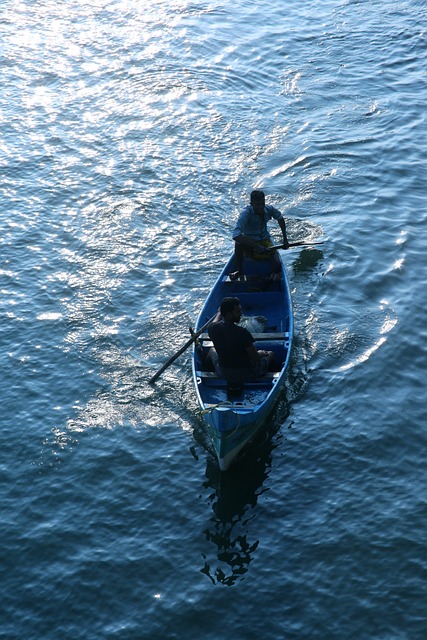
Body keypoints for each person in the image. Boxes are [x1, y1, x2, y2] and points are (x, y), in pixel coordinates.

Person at [207, 297, 275, 389]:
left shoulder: (212, 328)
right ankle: (266, 380)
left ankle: (207, 371)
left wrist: (219, 313)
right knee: (270, 354)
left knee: (211, 350)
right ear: (229, 314)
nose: (241, 314)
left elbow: (214, 322)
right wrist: (261, 353)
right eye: (238, 312)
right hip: (247, 374)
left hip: (223, 372)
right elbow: (255, 357)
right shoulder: (242, 332)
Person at [231, 189, 289, 279]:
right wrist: (256, 246)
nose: (260, 207)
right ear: (251, 204)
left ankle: (272, 277)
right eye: (257, 205)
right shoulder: (246, 214)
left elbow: (280, 218)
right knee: (238, 243)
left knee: (277, 264)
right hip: (251, 243)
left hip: (265, 240)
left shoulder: (269, 209)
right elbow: (236, 235)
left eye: (262, 204)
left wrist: (285, 239)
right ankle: (240, 271)